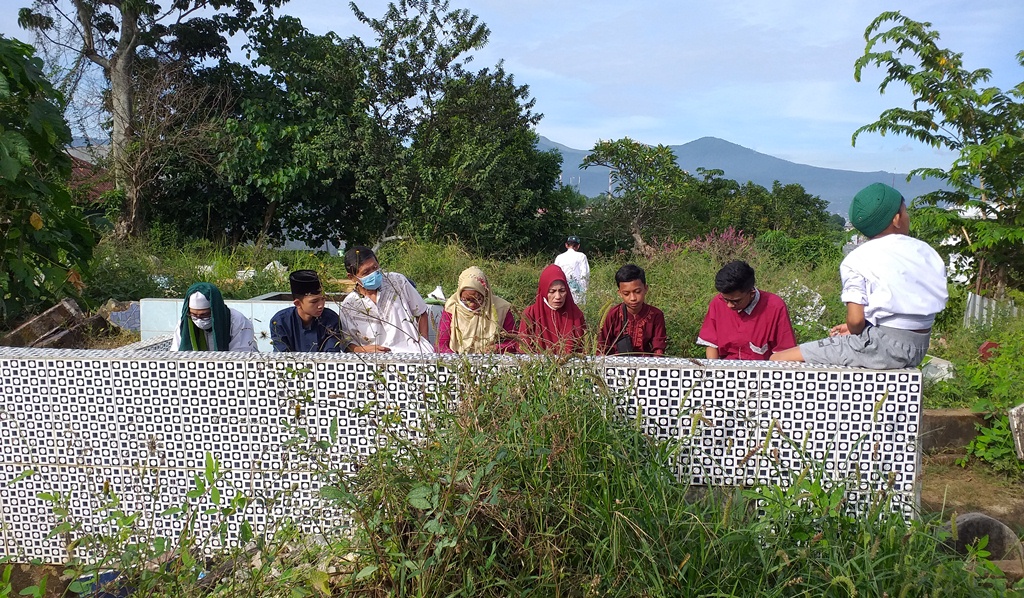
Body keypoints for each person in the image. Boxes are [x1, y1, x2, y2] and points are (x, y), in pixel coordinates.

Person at [771, 182, 948, 368]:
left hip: (883, 349)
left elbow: (855, 321)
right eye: (906, 212)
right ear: (896, 219)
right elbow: (905, 310)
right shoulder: (926, 251)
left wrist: (857, 329)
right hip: (919, 346)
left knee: (778, 359)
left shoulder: (858, 257)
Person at [339, 245, 434, 353]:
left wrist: (424, 342)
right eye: (366, 272)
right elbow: (347, 342)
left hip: (414, 353)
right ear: (351, 277)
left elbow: (421, 312)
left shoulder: (397, 281)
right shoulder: (349, 305)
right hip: (378, 363)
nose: (373, 274)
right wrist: (363, 350)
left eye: (375, 268)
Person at [696, 260, 796, 360]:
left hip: (761, 371)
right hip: (726, 369)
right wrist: (712, 369)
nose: (729, 306)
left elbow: (784, 352)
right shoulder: (717, 303)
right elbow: (712, 344)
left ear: (751, 293)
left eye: (736, 301)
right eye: (725, 299)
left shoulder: (775, 307)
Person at [436, 266, 517, 354]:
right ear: (459, 295)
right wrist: (455, 359)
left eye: (477, 299)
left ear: (485, 293)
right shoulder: (452, 308)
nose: (472, 305)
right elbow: (441, 344)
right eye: (466, 300)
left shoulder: (501, 309)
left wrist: (497, 348)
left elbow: (514, 342)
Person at [597, 264, 667, 356]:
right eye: (626, 294)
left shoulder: (656, 315)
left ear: (646, 289)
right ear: (620, 293)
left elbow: (659, 347)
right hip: (616, 365)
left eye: (637, 292)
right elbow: (602, 345)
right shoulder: (612, 314)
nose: (633, 298)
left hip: (645, 365)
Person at [518, 264, 587, 354]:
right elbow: (523, 349)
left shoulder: (576, 315)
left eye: (562, 291)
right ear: (543, 291)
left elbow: (584, 349)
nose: (558, 297)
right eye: (552, 291)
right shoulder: (530, 314)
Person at [269, 270, 344, 352]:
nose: (321, 305)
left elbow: (331, 355)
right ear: (298, 303)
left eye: (323, 299)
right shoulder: (281, 322)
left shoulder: (331, 320)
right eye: (314, 301)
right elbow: (282, 356)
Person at [172, 282, 257, 352]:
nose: (199, 320)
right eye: (194, 315)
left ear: (215, 310)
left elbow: (240, 355)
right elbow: (175, 353)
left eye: (204, 315)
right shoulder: (184, 324)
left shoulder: (237, 321)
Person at [554, 235, 590, 305]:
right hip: (578, 290)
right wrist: (585, 288)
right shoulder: (581, 256)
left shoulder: (559, 257)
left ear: (566, 245)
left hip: (562, 289)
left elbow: (555, 273)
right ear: (578, 246)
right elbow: (585, 273)